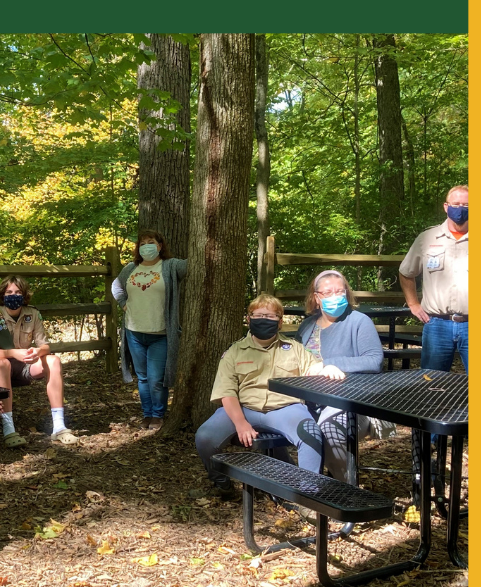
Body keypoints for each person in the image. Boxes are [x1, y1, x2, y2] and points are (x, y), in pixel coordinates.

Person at [195, 295, 338, 492]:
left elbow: (313, 369)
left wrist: (326, 369)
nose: (264, 319)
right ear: (249, 318)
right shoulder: (235, 352)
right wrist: (240, 423)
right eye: (259, 315)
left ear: (280, 322)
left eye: (271, 316)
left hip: (286, 409)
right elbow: (226, 392)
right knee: (205, 437)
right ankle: (222, 484)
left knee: (311, 435)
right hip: (243, 409)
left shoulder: (294, 349)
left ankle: (308, 497)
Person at [295, 270, 383, 485]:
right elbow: (293, 361)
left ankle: (345, 487)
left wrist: (329, 364)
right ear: (316, 297)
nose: (334, 296)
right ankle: (303, 486)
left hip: (351, 401)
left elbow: (374, 361)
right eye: (327, 292)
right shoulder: (307, 326)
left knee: (329, 427)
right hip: (308, 401)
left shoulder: (359, 321)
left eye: (339, 291)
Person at [0, 276, 77, 447]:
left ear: (24, 295)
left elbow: (45, 346)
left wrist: (38, 352)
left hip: (25, 364)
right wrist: (12, 353)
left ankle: (59, 426)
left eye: (18, 292)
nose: (13, 295)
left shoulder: (32, 314)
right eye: (9, 292)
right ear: (2, 295)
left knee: (53, 361)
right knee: (4, 363)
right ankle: (9, 429)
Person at [111, 230, 187, 430]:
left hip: (160, 333)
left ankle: (158, 415)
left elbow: (195, 263)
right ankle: (147, 414)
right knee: (142, 377)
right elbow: (116, 286)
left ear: (160, 245)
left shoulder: (171, 266)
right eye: (142, 243)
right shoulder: (130, 268)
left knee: (156, 378)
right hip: (134, 331)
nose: (146, 246)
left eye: (151, 242)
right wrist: (123, 304)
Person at [399, 184, 468, 374]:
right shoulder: (428, 237)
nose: (460, 209)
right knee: (432, 385)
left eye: (466, 204)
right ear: (446, 207)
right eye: (456, 204)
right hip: (437, 324)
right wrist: (413, 303)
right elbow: (406, 272)